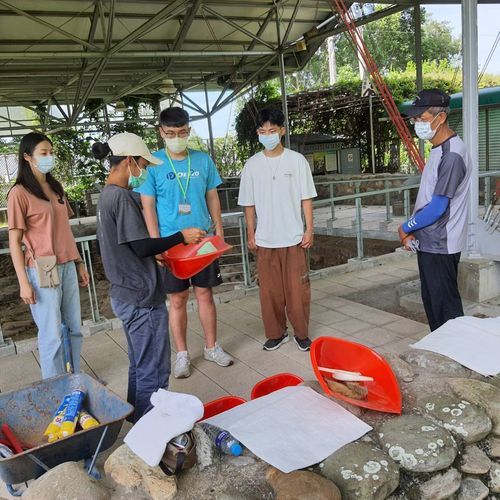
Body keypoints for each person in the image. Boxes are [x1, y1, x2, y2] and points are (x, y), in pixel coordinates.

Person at [94, 132, 205, 421]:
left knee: (138, 364)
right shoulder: (120, 197)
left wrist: (157, 252)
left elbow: (132, 246)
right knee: (153, 369)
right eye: (142, 164)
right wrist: (180, 236)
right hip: (141, 297)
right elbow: (142, 245)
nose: (144, 170)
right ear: (129, 161)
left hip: (125, 292)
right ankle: (149, 427)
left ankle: (135, 416)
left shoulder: (106, 195)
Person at [136, 107, 233, 379]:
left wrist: (219, 231)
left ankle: (211, 347)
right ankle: (182, 354)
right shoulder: (152, 164)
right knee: (177, 300)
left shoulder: (202, 160)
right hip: (171, 244)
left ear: (189, 131)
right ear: (161, 132)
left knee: (205, 294)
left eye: (181, 132)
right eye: (170, 133)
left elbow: (213, 197)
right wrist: (157, 245)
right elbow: (148, 206)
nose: (177, 137)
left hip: (202, 240)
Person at [7, 132, 90, 379]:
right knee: (51, 334)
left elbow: (66, 230)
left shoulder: (55, 188)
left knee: (74, 328)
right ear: (27, 157)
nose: (49, 157)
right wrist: (24, 282)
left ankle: (75, 377)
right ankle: (54, 386)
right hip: (42, 267)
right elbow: (15, 241)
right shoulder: (19, 193)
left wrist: (79, 262)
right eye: (43, 153)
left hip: (67, 264)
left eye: (51, 152)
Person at [238, 108, 317, 352]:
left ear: (282, 131)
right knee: (269, 292)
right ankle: (275, 333)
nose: (268, 135)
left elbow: (306, 198)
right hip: (265, 239)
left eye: (272, 130)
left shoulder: (296, 161)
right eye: (263, 131)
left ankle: (301, 334)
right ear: (258, 134)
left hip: (293, 237)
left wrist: (309, 229)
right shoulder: (252, 165)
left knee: (297, 291)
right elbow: (248, 204)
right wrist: (251, 233)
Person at [398, 89, 472, 331]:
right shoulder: (438, 148)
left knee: (446, 308)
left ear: (440, 118)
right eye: (415, 119)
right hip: (430, 241)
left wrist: (405, 227)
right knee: (433, 303)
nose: (417, 124)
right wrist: (414, 231)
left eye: (423, 118)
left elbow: (438, 208)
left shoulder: (452, 155)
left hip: (441, 243)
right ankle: (443, 351)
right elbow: (428, 198)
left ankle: (457, 357)